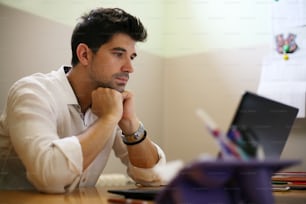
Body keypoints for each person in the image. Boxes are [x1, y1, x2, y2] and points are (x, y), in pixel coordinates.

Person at [0, 7, 166, 193]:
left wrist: (130, 123)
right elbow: (48, 177)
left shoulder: (112, 102)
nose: (129, 68)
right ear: (84, 55)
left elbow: (157, 178)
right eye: (118, 54)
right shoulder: (32, 92)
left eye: (131, 57)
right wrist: (108, 119)